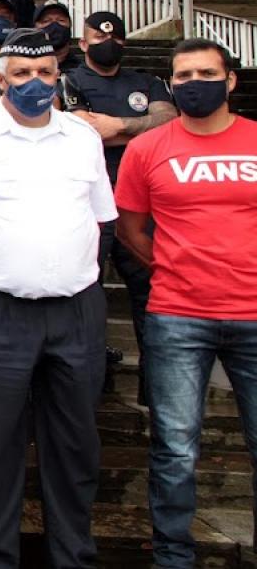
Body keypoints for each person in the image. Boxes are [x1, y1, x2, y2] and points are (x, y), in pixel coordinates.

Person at [0, 27, 116, 568]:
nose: (35, 83)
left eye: (46, 74)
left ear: (59, 78)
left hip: (76, 311)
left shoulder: (82, 137)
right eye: (22, 74)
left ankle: (73, 555)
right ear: (0, 79)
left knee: (76, 442)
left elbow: (103, 217)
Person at [112, 38, 257, 568]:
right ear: (170, 84)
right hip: (178, 313)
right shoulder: (148, 149)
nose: (194, 82)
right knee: (174, 447)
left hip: (254, 313)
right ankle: (173, 555)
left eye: (205, 72)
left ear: (230, 80)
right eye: (183, 75)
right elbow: (129, 226)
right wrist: (170, 266)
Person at [63, 11, 177, 405]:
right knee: (85, 297)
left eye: (114, 37)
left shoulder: (147, 81)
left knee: (151, 293)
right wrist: (138, 126)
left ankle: (155, 391)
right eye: (97, 36)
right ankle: (87, 392)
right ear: (83, 43)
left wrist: (119, 126)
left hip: (142, 203)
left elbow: (169, 121)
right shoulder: (71, 78)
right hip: (91, 202)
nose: (107, 42)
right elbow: (85, 130)